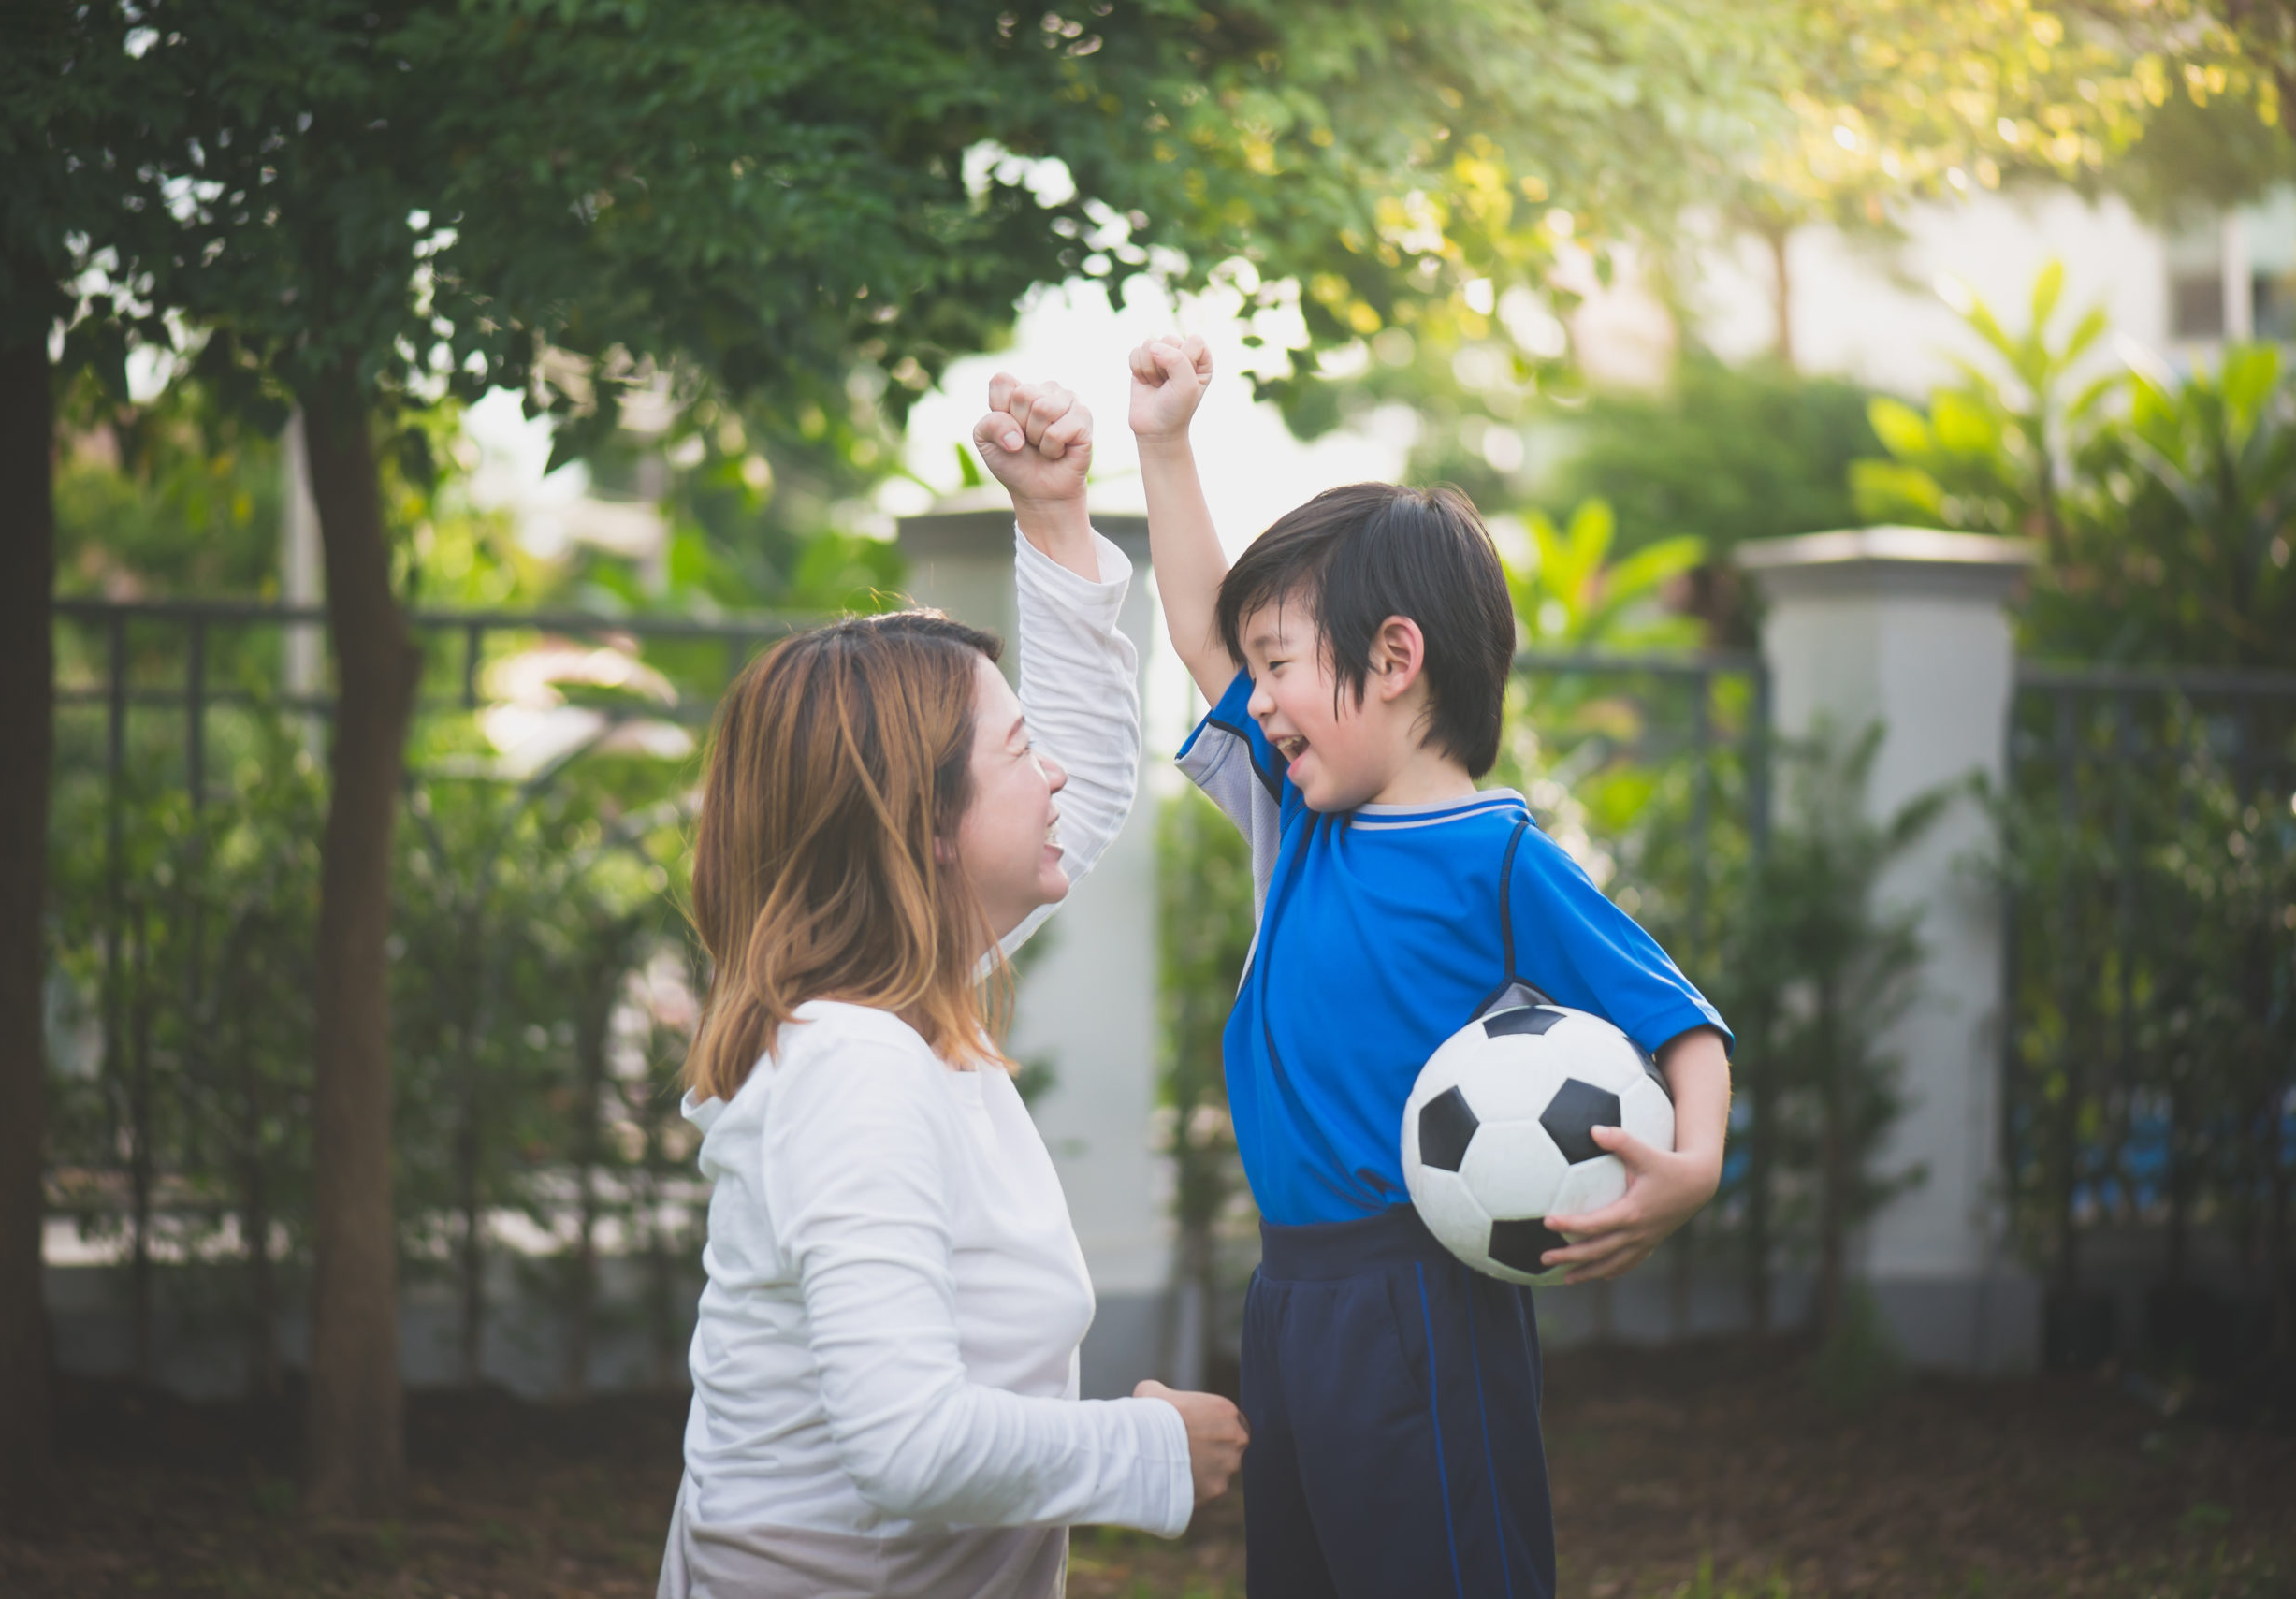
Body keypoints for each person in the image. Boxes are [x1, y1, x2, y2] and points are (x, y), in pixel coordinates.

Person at [1018, 337, 1731, 1598]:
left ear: (1395, 659)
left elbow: (1677, 1019)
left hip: (1421, 1294)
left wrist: (1697, 1159)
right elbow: (1196, 628)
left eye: (1279, 663)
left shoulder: (1498, 855)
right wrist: (1165, 444)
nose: (1258, 698)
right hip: (1291, 1290)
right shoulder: (1300, 818)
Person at [657, 379, 1247, 1599]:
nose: (1057, 780)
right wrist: (1154, 1452)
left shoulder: (888, 1004)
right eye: (1019, 754)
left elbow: (1083, 796)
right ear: (925, 828)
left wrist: (1055, 516)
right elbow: (906, 1442)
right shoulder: (852, 1068)